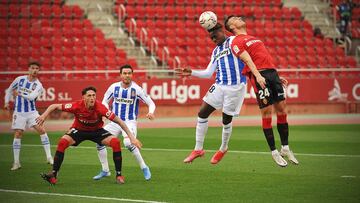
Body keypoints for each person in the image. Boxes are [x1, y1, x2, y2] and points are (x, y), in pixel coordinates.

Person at [224, 15, 299, 167]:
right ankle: (274, 152)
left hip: (271, 73)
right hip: (260, 75)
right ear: (232, 26)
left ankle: (285, 148)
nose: (239, 18)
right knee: (267, 113)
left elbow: (264, 57)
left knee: (282, 110)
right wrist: (258, 76)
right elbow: (247, 60)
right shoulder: (236, 42)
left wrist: (276, 75)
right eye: (236, 18)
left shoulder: (253, 38)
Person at [37, 86, 142, 185]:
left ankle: (119, 175)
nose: (92, 98)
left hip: (97, 131)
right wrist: (43, 116)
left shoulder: (101, 108)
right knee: (62, 142)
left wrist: (132, 138)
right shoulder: (76, 105)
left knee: (115, 142)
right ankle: (53, 175)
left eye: (94, 95)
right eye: (89, 95)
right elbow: (53, 106)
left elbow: (120, 121)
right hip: (79, 130)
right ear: (83, 97)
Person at [176, 23, 247, 165]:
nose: (214, 39)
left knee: (226, 120)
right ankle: (198, 149)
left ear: (222, 31)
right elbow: (208, 73)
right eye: (212, 38)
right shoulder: (215, 51)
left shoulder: (233, 41)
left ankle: (223, 147)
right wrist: (192, 72)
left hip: (235, 87)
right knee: (202, 113)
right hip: (219, 85)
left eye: (215, 36)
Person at [93, 64, 155, 181]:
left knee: (128, 143)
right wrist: (105, 112)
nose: (127, 75)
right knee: (99, 141)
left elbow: (151, 103)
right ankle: (105, 170)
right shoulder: (113, 87)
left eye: (129, 73)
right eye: (124, 73)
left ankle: (144, 167)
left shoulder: (137, 89)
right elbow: (104, 101)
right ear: (120, 75)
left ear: (132, 75)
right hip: (114, 121)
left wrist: (151, 112)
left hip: (129, 122)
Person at [4, 61, 53, 171]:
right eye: (32, 68)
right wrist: (7, 102)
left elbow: (31, 97)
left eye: (37, 68)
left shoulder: (39, 85)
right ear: (29, 69)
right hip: (19, 112)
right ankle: (16, 162)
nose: (35, 70)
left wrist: (19, 93)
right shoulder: (19, 79)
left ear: (38, 71)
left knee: (42, 130)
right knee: (18, 133)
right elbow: (9, 90)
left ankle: (49, 157)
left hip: (32, 112)